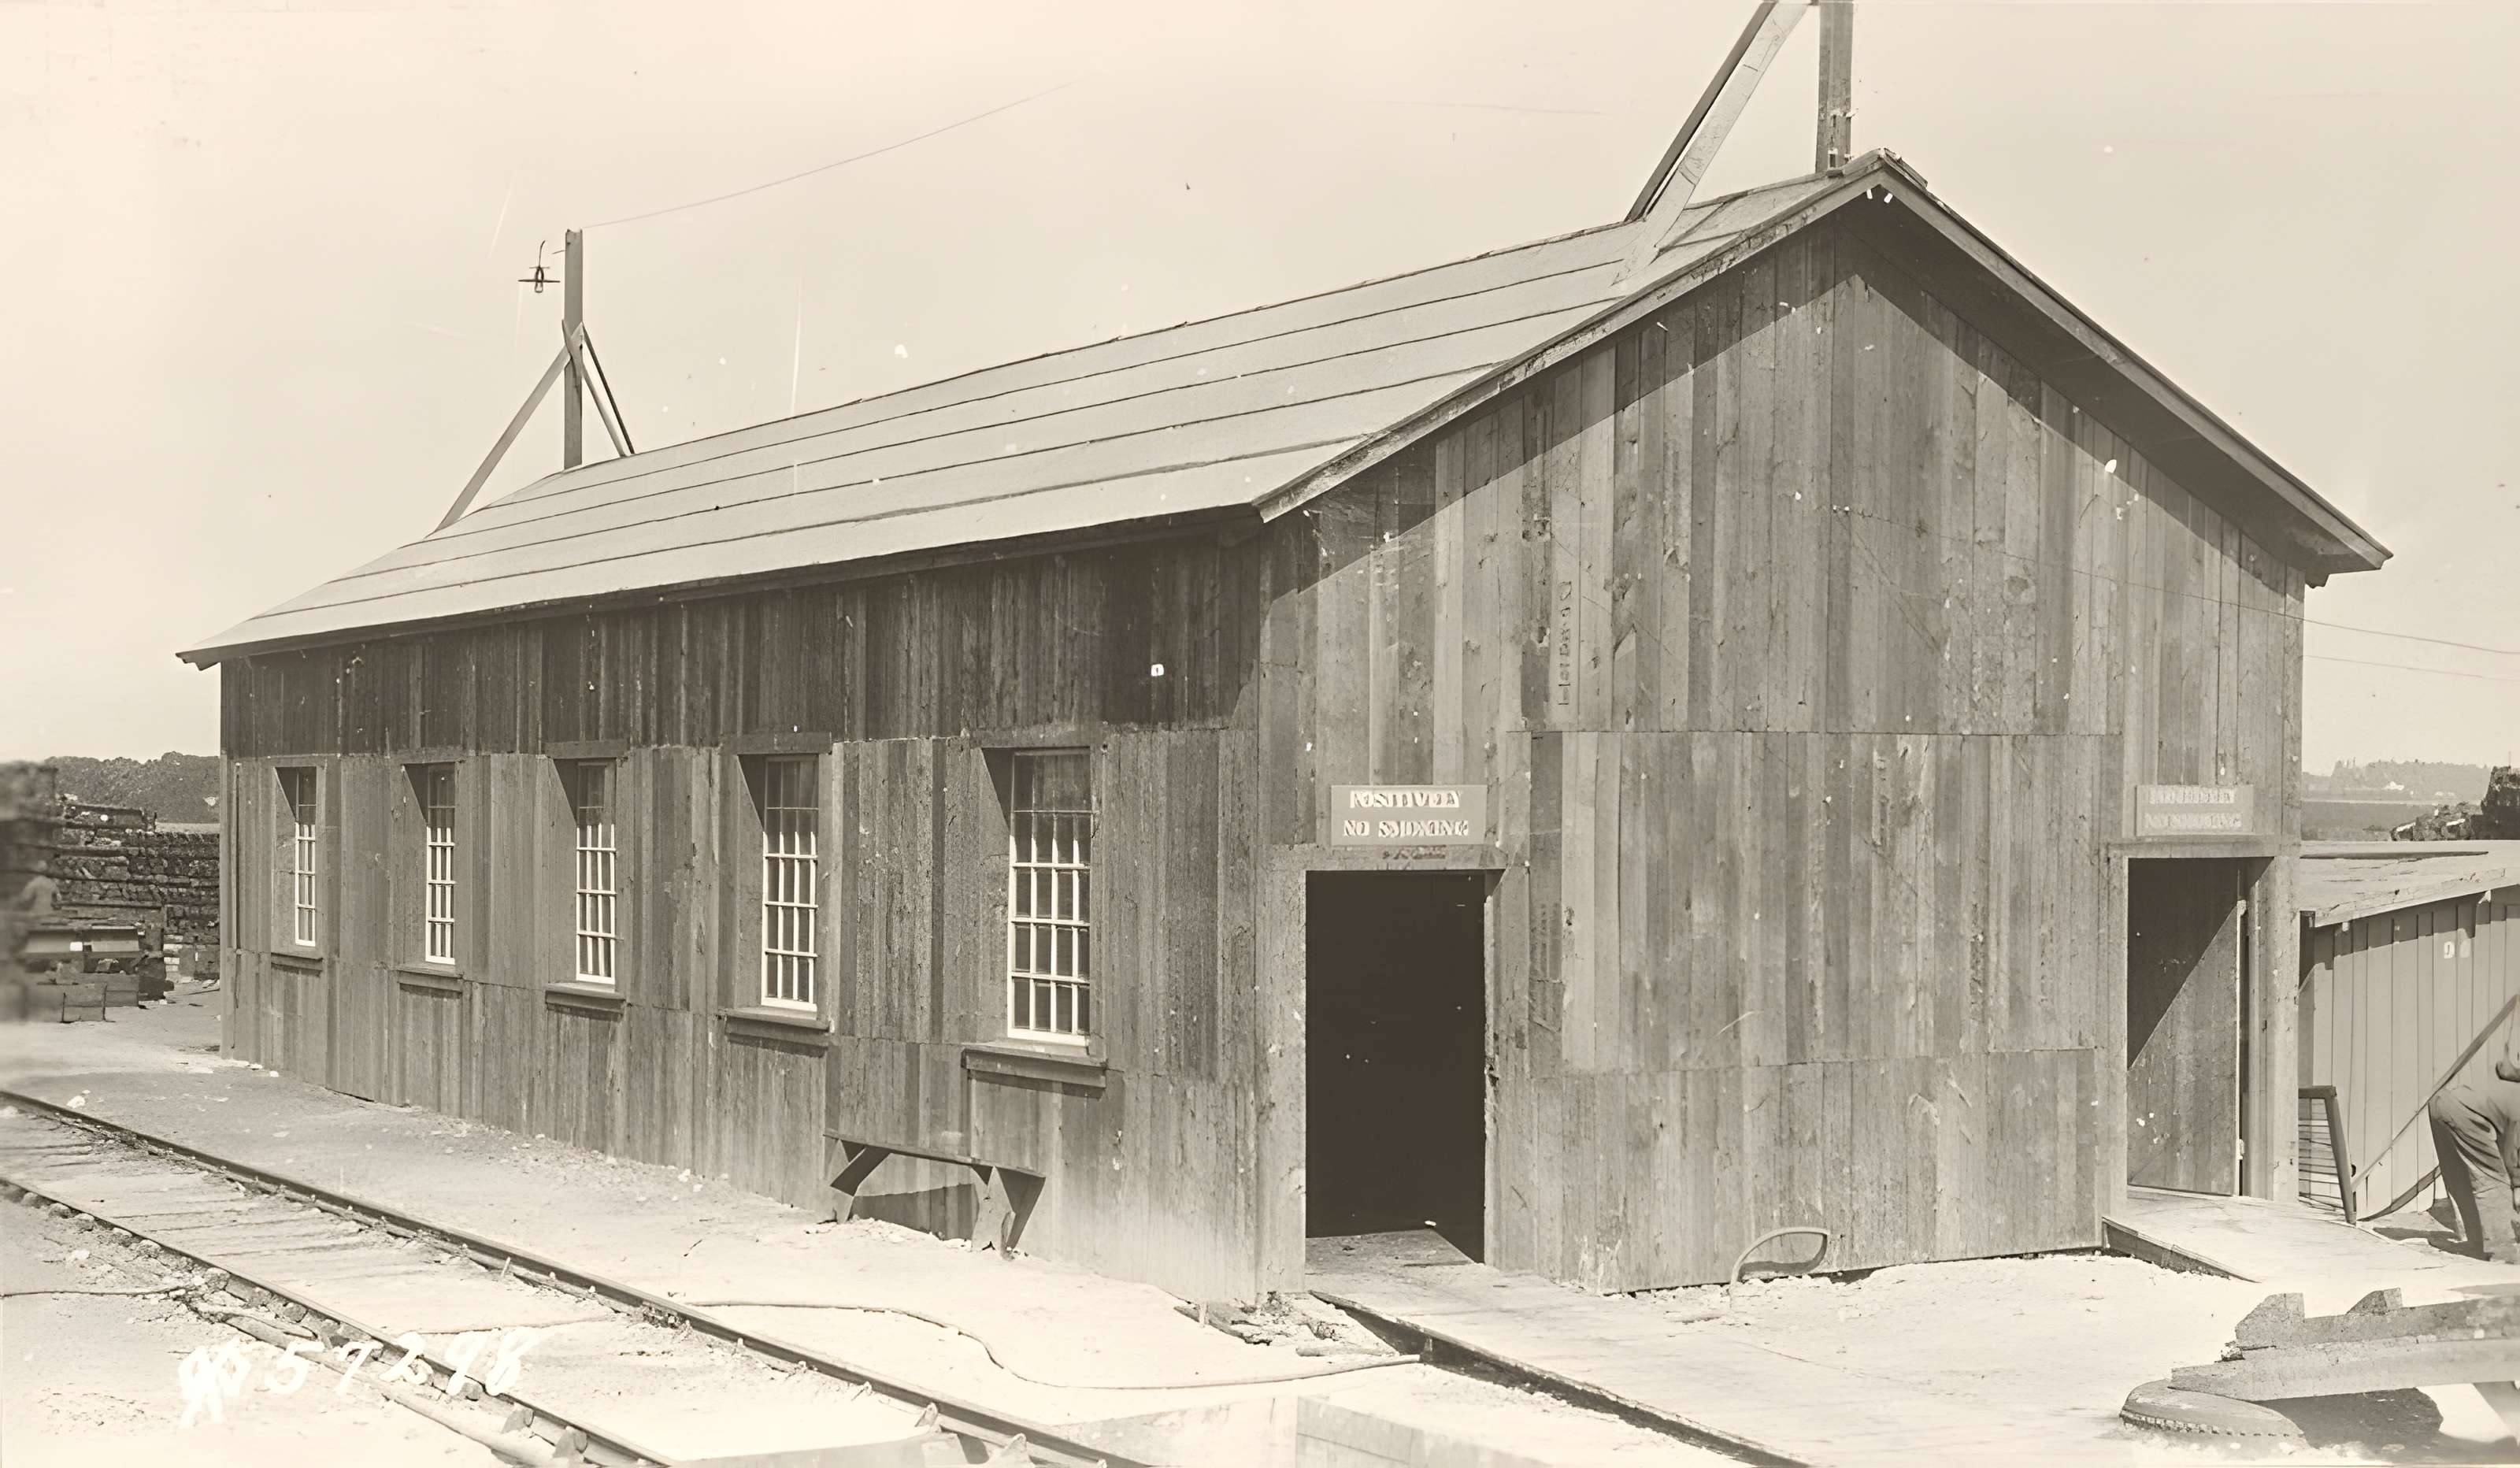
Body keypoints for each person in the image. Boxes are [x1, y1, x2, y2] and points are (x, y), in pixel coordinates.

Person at [2427, 1029, 2520, 1265]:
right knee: (2492, 1180)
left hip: (2441, 1102)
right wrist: (2516, 1185)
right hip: (2462, 1110)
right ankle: (2503, 1253)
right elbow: (2511, 1151)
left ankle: (2476, 1241)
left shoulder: (2509, 1087)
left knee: (2460, 1177)